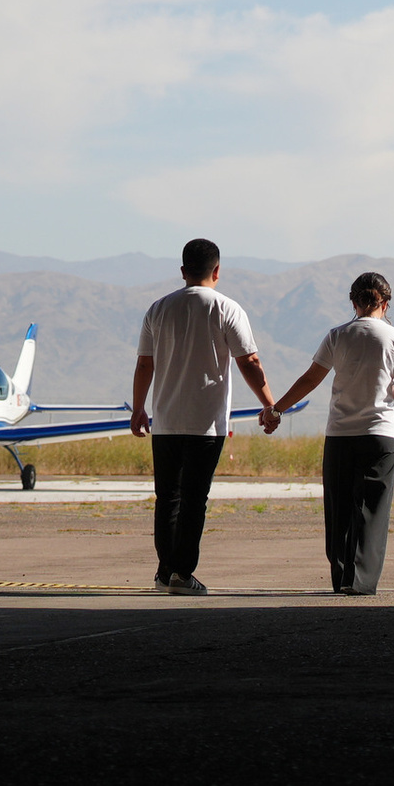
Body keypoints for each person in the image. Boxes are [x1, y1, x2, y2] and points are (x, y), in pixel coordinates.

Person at [131, 237, 278, 595]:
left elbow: (145, 363)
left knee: (167, 498)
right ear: (217, 271)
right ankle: (183, 573)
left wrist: (138, 407)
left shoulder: (158, 309)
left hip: (165, 420)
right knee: (195, 499)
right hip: (206, 423)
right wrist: (268, 404)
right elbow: (249, 362)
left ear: (182, 271)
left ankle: (166, 571)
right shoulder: (227, 309)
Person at [269, 270, 394, 596]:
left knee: (339, 509)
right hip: (380, 434)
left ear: (353, 302)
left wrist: (277, 409)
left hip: (340, 435)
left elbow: (310, 378)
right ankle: (361, 581)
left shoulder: (337, 335)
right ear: (386, 303)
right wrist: (389, 390)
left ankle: (340, 576)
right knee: (372, 510)